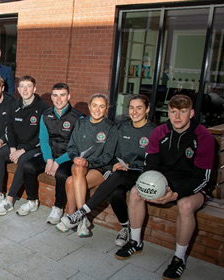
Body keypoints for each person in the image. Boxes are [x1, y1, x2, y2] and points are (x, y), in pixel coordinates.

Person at [115, 95, 214, 280]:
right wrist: (155, 187)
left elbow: (203, 178)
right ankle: (135, 242)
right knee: (136, 191)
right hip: (165, 180)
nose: (177, 117)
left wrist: (175, 195)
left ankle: (179, 258)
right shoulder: (160, 132)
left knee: (185, 206)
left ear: (191, 113)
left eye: (182, 112)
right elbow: (150, 166)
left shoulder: (204, 136)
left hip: (193, 185)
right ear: (167, 112)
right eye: (173, 112)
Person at [61, 94, 156, 245]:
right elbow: (116, 152)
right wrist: (117, 163)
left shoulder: (154, 131)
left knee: (77, 178)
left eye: (139, 108)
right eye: (131, 108)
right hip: (121, 172)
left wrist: (93, 162)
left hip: (140, 173)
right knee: (115, 193)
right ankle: (123, 227)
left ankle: (80, 214)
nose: (135, 112)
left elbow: (155, 160)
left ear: (147, 110)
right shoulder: (122, 127)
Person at [0, 75, 48, 215]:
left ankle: (10, 199)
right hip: (16, 145)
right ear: (18, 89)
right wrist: (12, 148)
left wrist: (22, 151)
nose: (25, 90)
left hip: (34, 147)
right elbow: (9, 129)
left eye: (28, 86)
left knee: (24, 159)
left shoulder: (43, 107)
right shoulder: (14, 106)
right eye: (22, 86)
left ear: (34, 88)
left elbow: (42, 135)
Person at [56, 93, 117, 237]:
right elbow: (71, 147)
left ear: (106, 108)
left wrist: (89, 162)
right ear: (89, 107)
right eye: (94, 105)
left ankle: (73, 215)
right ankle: (82, 219)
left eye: (101, 106)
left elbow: (108, 156)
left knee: (71, 181)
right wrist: (75, 157)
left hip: (100, 168)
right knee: (78, 168)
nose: (97, 109)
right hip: (79, 165)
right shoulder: (81, 123)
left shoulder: (111, 127)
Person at [19, 83, 84, 218]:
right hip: (50, 154)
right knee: (28, 166)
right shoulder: (46, 115)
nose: (58, 99)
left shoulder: (78, 118)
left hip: (68, 156)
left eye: (62, 95)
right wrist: (49, 159)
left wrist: (58, 162)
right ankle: (32, 201)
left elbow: (77, 146)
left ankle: (58, 207)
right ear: (52, 97)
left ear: (69, 96)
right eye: (55, 95)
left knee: (61, 174)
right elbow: (43, 140)